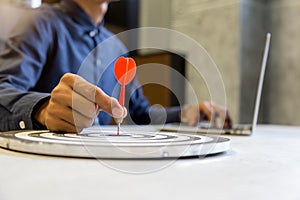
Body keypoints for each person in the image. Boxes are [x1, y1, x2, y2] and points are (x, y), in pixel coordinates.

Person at [0, 0, 232, 133]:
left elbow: (139, 114)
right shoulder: (39, 24)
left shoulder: (117, 47)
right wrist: (41, 109)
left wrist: (184, 113)